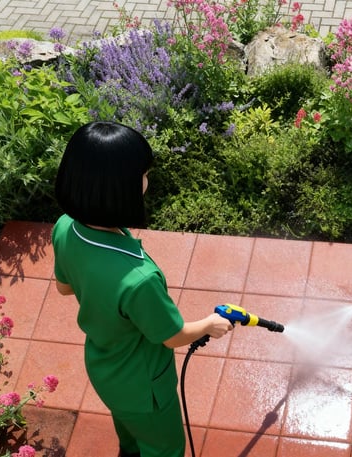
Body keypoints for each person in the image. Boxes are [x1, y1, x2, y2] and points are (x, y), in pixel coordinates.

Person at [51, 121, 234, 457]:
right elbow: (173, 336)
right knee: (164, 448)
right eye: (143, 175)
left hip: (105, 368)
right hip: (144, 387)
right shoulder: (139, 279)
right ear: (118, 188)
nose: (146, 180)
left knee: (130, 430)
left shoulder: (65, 228)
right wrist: (209, 325)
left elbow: (64, 287)